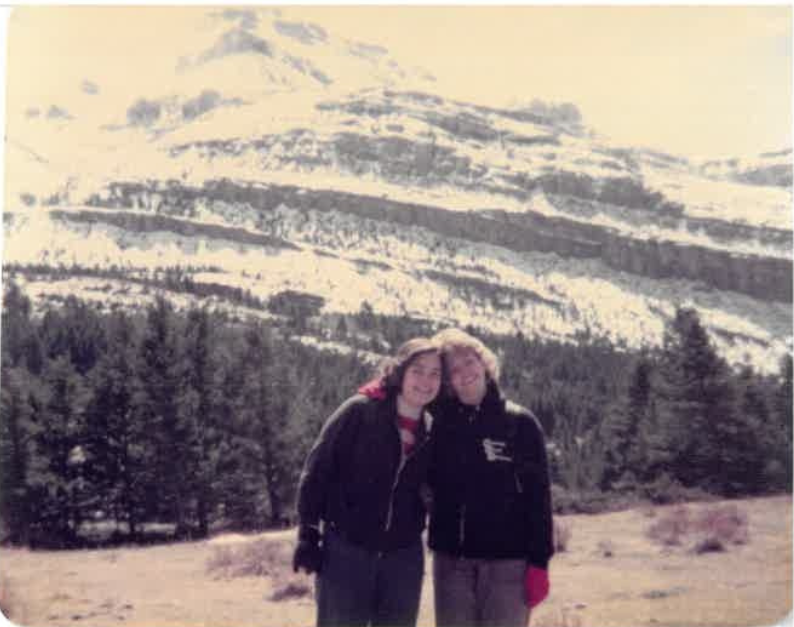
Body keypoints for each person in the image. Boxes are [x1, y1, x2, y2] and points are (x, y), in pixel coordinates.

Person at [293, 337, 443, 627]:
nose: (426, 381)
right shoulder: (360, 411)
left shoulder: (431, 428)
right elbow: (317, 470)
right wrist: (308, 533)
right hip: (347, 550)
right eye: (418, 370)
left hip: (403, 557)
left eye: (435, 373)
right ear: (400, 371)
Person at [428, 328, 554, 627]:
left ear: (484, 363)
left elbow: (539, 498)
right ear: (447, 381)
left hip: (508, 565)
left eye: (469, 362)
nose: (464, 373)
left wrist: (539, 563)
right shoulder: (439, 422)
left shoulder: (519, 422)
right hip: (452, 564)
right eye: (454, 370)